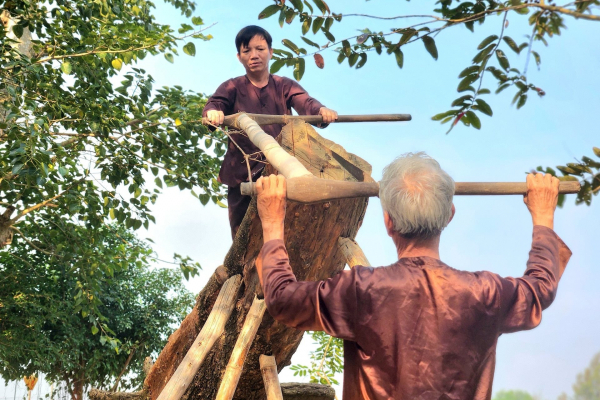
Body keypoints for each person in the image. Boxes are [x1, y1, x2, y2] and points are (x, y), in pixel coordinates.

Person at [254, 152, 572, 400]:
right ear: (449, 215)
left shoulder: (361, 290)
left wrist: (272, 221)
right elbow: (540, 289)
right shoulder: (485, 294)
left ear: (388, 221)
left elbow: (282, 298)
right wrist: (543, 216)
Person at [203, 25, 338, 238]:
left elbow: (305, 102)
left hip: (280, 168)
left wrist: (321, 111)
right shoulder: (232, 87)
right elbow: (215, 105)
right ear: (239, 57)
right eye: (247, 51)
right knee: (242, 238)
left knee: (288, 231)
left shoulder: (284, 85)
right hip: (242, 172)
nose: (254, 55)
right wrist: (213, 113)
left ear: (271, 52)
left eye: (260, 49)